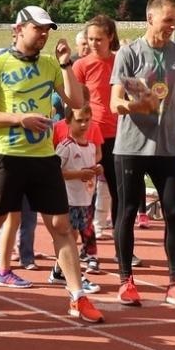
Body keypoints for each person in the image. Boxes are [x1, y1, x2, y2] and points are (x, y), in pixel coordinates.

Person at [0, 5, 103, 324]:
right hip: (8, 158)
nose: (43, 34)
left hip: (44, 158)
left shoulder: (50, 65)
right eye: (37, 28)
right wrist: (20, 119)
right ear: (18, 29)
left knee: (61, 226)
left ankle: (77, 296)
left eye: (46, 29)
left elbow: (77, 102)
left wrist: (66, 64)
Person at [112, 0, 175, 309]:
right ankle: (126, 280)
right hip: (131, 146)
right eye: (168, 20)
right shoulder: (129, 53)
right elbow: (115, 103)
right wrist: (138, 105)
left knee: (173, 212)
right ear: (150, 18)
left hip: (168, 148)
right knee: (127, 211)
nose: (173, 26)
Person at [72, 15, 120, 240]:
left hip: (118, 137)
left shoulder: (121, 62)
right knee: (86, 192)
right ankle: (86, 243)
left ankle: (122, 244)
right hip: (90, 136)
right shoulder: (81, 65)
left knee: (120, 192)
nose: (93, 43)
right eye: (90, 39)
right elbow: (74, 103)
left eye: (98, 39)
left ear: (110, 37)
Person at [49, 105, 101, 295]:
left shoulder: (91, 146)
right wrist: (79, 174)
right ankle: (74, 275)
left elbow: (89, 168)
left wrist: (97, 170)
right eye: (79, 120)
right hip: (68, 200)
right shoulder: (66, 147)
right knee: (69, 236)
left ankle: (58, 271)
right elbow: (55, 171)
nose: (84, 124)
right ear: (68, 122)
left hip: (84, 200)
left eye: (87, 120)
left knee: (75, 235)